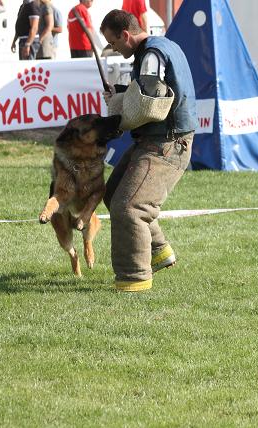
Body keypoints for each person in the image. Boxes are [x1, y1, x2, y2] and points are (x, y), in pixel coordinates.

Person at [100, 10, 198, 292]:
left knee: (129, 207)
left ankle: (134, 279)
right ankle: (159, 251)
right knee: (114, 191)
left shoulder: (152, 55)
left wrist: (117, 113)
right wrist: (120, 94)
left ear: (126, 35)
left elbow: (149, 105)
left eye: (114, 42)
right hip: (157, 139)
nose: (115, 48)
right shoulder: (162, 46)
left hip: (167, 143)